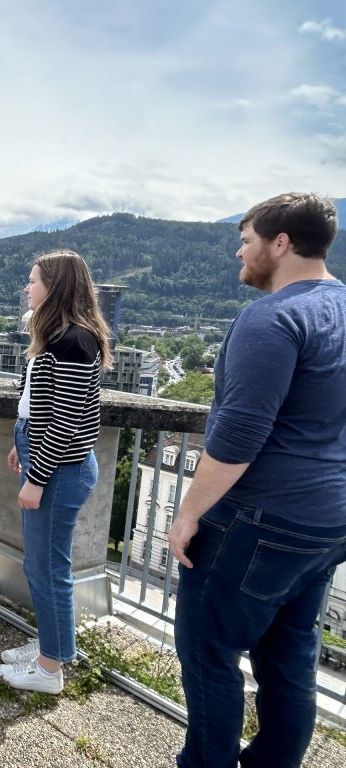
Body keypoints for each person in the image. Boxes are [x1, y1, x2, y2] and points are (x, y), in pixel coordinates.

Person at [168, 193, 346, 768]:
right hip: (329, 521)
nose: (238, 253)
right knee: (291, 654)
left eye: (245, 240)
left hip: (261, 518)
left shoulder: (272, 317)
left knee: (208, 650)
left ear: (281, 243)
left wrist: (188, 513)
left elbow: (240, 435)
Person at [0, 249, 111, 695]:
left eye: (34, 280)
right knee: (40, 564)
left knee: (48, 567)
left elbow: (67, 421)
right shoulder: (59, 335)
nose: (28, 287)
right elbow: (39, 405)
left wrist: (37, 478)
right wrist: (21, 448)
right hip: (47, 459)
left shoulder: (74, 341)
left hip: (60, 471)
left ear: (56, 286)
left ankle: (49, 668)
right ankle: (51, 647)